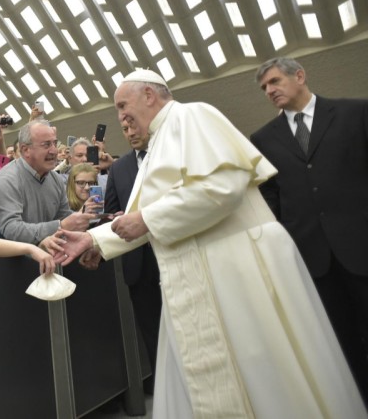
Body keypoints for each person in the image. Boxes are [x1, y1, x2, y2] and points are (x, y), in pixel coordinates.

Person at [57, 69, 366, 418]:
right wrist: (94, 239)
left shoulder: (193, 116)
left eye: (122, 105)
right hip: (201, 276)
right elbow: (143, 216)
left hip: (237, 272)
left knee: (264, 373)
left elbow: (222, 188)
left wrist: (144, 220)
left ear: (149, 95)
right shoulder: (157, 142)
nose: (121, 117)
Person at [250, 57, 368, 400]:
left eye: (275, 81)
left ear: (299, 76)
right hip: (312, 258)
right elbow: (269, 196)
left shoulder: (355, 113)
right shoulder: (263, 139)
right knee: (342, 342)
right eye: (264, 87)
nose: (269, 91)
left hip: (361, 245)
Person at [101, 119, 162, 395]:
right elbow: (112, 214)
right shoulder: (119, 168)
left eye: (135, 127)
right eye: (125, 130)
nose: (130, 133)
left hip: (172, 253)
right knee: (153, 334)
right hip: (140, 265)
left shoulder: (168, 154)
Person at [0, 120, 96, 249]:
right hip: (18, 260)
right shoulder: (7, 181)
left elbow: (64, 216)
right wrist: (60, 226)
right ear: (25, 150)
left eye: (54, 143)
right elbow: (10, 230)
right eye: (46, 145)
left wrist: (84, 218)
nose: (54, 151)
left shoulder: (55, 179)